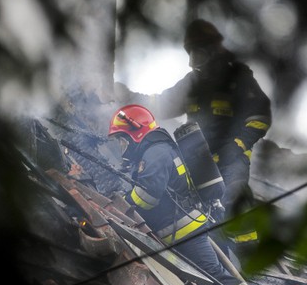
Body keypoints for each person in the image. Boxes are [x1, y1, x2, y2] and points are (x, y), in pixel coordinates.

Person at [107, 104, 283, 285]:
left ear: (135, 132)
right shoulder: (157, 149)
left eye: (122, 139)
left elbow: (147, 197)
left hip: (186, 234)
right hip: (181, 233)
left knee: (216, 276)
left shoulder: (156, 152)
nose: (122, 146)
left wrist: (123, 200)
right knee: (207, 279)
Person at [115, 19, 271, 257]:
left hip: (232, 158)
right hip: (198, 157)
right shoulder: (192, 82)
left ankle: (248, 257)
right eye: (190, 55)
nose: (192, 62)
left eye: (196, 54)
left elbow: (260, 116)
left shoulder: (238, 78)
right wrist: (126, 96)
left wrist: (238, 145)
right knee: (190, 200)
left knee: (234, 196)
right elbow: (162, 103)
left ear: (212, 51)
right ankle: (209, 248)